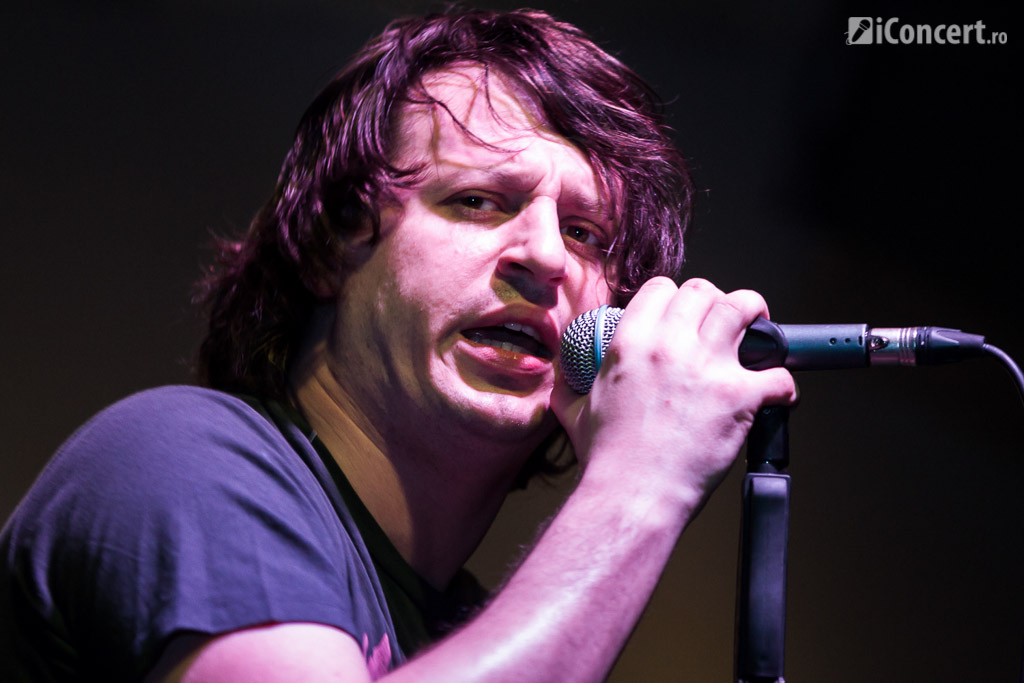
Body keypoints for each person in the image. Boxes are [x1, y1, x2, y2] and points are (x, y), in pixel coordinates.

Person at [0, 7, 796, 681]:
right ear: (332, 244)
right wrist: (639, 485)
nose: (547, 255)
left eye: (585, 231)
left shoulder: (459, 627)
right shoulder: (180, 461)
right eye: (479, 200)